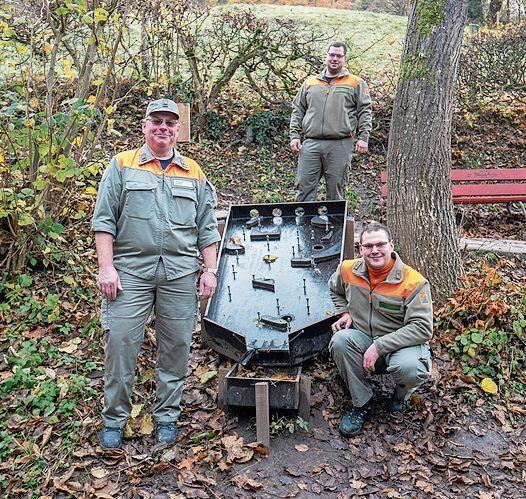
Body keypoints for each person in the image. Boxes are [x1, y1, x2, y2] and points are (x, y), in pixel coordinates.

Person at [92, 98, 221, 449]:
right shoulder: (121, 165)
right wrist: (107, 267)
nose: (163, 127)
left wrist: (210, 270)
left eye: (170, 122)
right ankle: (115, 419)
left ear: (179, 129)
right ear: (144, 126)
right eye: (156, 121)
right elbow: (104, 221)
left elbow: (207, 228)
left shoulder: (193, 172)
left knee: (176, 347)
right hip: (130, 272)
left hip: (179, 275)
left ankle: (166, 418)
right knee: (120, 344)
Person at [328, 222, 433, 436]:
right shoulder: (347, 270)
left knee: (411, 367)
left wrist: (380, 346)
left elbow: (422, 328)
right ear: (360, 249)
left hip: (400, 346)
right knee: (339, 341)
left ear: (391, 246)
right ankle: (363, 402)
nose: (374, 250)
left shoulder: (414, 282)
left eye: (380, 244)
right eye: (368, 246)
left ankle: (401, 396)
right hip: (363, 339)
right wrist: (345, 313)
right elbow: (334, 289)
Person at [289, 41, 372, 202]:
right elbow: (298, 109)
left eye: (339, 56)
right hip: (311, 143)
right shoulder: (310, 83)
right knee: (304, 188)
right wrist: (294, 135)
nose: (334, 58)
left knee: (335, 191)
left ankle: (334, 225)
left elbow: (365, 110)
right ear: (326, 57)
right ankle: (304, 225)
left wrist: (363, 137)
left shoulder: (355, 83)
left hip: (340, 144)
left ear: (345, 59)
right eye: (331, 55)